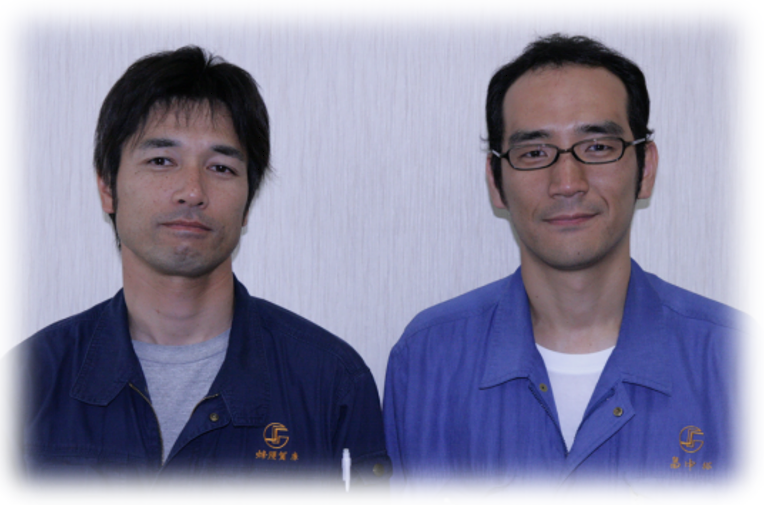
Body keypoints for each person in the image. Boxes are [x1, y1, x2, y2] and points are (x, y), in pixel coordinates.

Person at [383, 34, 742, 489]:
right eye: (534, 153)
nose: (567, 182)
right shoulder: (427, 362)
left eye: (597, 147)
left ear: (645, 169)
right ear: (496, 181)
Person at [19, 46, 389, 486]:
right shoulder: (29, 381)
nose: (192, 191)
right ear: (107, 187)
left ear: (248, 201)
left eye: (220, 167)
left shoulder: (331, 382)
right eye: (161, 161)